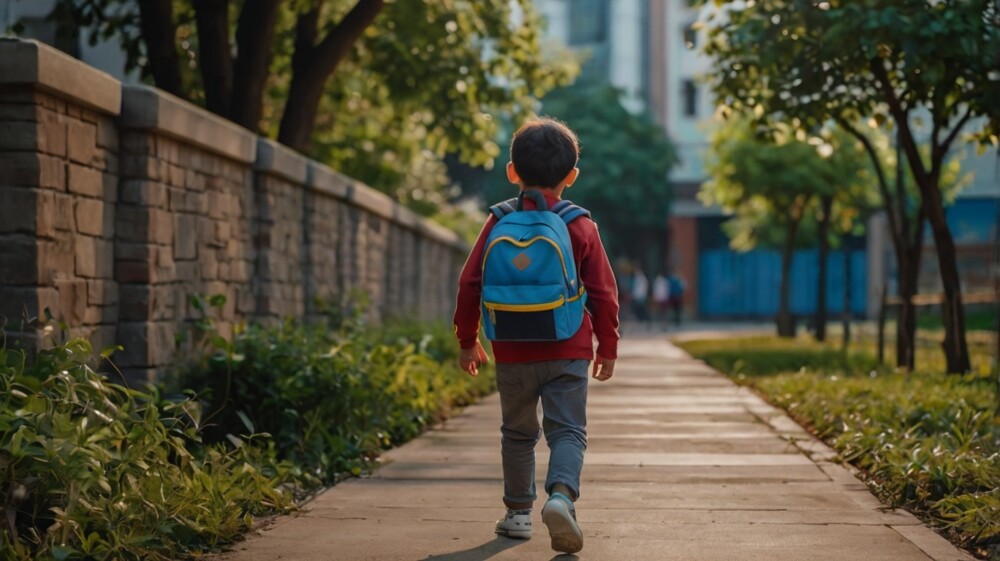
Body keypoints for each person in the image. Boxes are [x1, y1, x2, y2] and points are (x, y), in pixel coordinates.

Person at [453, 117, 620, 555]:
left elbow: (470, 283)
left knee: (518, 433)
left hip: (510, 348)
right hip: (569, 348)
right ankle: (562, 497)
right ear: (572, 176)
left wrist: (468, 340)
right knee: (567, 432)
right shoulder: (580, 225)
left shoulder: (498, 220)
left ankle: (518, 515)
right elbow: (604, 292)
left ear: (512, 171)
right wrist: (609, 347)